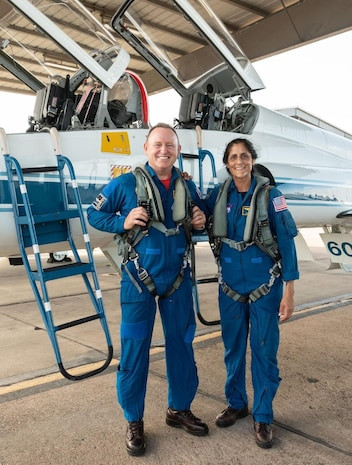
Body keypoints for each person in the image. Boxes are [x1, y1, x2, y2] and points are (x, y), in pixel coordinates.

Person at [87, 123, 210, 456]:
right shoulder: (126, 183)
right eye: (157, 144)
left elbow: (203, 214)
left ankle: (178, 408)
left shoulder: (187, 185)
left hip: (177, 279)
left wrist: (200, 221)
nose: (163, 150)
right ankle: (134, 420)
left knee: (182, 345)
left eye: (169, 145)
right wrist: (122, 222)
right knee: (135, 349)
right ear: (146, 148)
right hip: (137, 280)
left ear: (177, 149)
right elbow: (94, 214)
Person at [204, 138, 299, 449]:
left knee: (263, 352)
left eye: (244, 156)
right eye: (233, 157)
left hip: (266, 287)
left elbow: (287, 243)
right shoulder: (219, 195)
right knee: (232, 350)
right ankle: (237, 403)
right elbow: (196, 212)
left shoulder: (273, 196)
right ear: (227, 163)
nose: (239, 161)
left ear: (252, 159)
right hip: (229, 287)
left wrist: (289, 291)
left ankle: (263, 415)